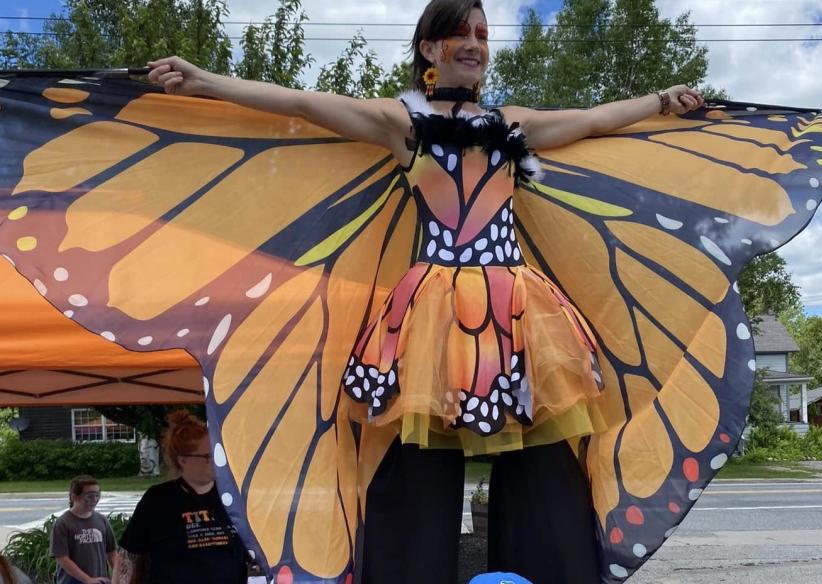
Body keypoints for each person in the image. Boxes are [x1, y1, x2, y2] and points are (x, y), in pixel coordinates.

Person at [144, 1, 705, 582]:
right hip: (433, 314)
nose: (475, 44)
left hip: (516, 313)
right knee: (417, 470)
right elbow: (302, 102)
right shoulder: (402, 123)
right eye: (459, 33)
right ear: (429, 50)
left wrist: (661, 102)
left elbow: (592, 120)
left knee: (545, 464)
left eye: (483, 34)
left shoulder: (511, 124)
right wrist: (206, 82)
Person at [111, 411, 246, 584]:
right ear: (182, 461)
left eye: (218, 453)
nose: (216, 461)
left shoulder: (233, 496)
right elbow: (129, 556)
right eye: (208, 456)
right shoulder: (158, 499)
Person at [49, 475, 117, 584]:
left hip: (100, 581)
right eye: (89, 496)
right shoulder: (63, 523)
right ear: (74, 497)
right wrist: (88, 580)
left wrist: (118, 576)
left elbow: (112, 552)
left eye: (97, 495)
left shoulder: (102, 520)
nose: (94, 499)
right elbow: (62, 559)